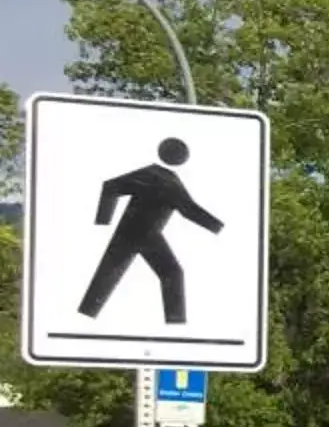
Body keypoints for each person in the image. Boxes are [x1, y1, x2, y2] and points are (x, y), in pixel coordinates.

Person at [82, 138, 223, 327]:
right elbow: (189, 210)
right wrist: (218, 227)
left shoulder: (149, 173)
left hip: (130, 229)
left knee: (108, 273)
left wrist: (104, 220)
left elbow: (111, 187)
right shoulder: (170, 183)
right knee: (171, 272)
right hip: (146, 233)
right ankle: (176, 323)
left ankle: (86, 314)